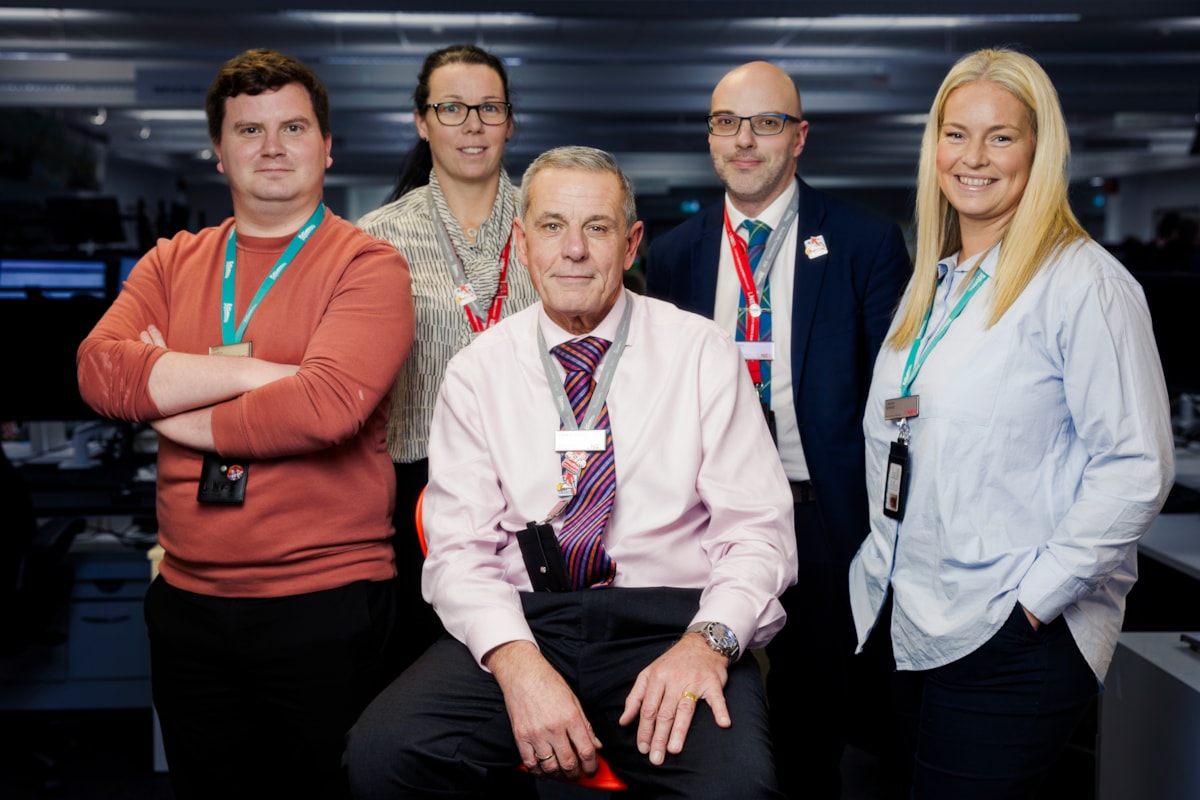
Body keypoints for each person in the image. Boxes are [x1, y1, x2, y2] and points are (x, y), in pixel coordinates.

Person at [344, 146, 798, 799]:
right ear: (524, 243)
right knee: (385, 754)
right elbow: (458, 555)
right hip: (528, 619)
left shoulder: (699, 354)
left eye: (598, 227)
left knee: (736, 787)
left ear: (633, 241)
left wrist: (708, 642)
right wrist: (517, 662)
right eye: (553, 226)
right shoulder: (479, 370)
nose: (574, 250)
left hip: (670, 623)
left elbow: (758, 534)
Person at [76, 48, 414, 800]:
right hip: (188, 603)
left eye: (293, 126)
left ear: (327, 147)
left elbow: (329, 408)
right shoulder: (171, 261)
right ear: (219, 152)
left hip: (323, 604)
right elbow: (99, 371)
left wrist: (171, 403)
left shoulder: (369, 266)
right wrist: (265, 379)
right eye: (248, 130)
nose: (272, 146)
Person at [848, 48, 1176, 799]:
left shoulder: (1085, 284)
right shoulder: (936, 280)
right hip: (915, 620)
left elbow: (1136, 469)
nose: (974, 157)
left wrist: (1033, 604)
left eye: (1001, 136)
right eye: (956, 133)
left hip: (1009, 633)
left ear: (1040, 148)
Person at [645, 60, 912, 797]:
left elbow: (896, 391)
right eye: (727, 123)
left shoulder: (862, 241)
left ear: (799, 136)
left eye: (766, 123)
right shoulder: (671, 257)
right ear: (709, 137)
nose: (745, 140)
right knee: (709, 711)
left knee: (812, 723)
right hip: (706, 519)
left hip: (820, 514)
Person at [356, 43, 540, 676]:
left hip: (535, 482)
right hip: (418, 484)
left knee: (528, 660)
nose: (472, 124)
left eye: (489, 108)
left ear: (510, 122)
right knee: (423, 670)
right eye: (451, 107)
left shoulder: (550, 227)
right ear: (422, 120)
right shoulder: (375, 239)